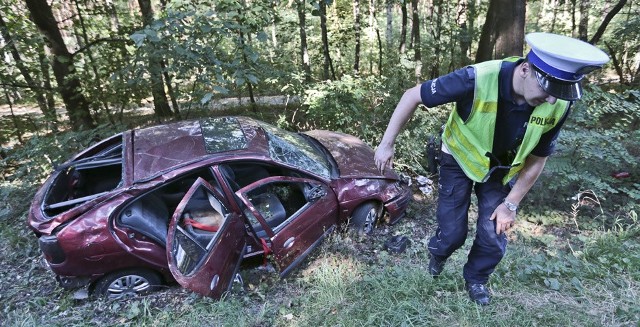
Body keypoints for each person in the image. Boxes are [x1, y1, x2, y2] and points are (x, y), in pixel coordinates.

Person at [374, 32, 609, 305]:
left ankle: (476, 279)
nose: (552, 100)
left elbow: (538, 158)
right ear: (524, 69)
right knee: (452, 233)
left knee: (494, 235)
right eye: (547, 89)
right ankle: (438, 255)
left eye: (559, 93)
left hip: (502, 169)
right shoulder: (476, 78)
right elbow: (412, 95)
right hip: (458, 159)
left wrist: (511, 204)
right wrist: (386, 144)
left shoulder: (557, 104)